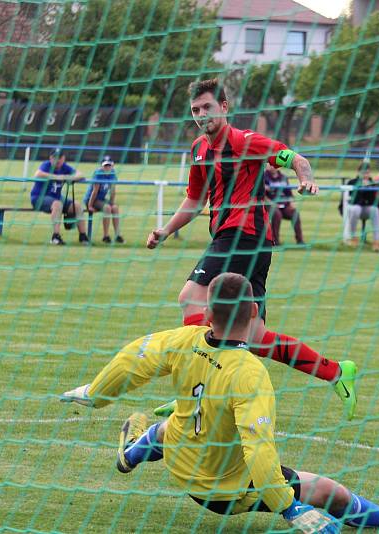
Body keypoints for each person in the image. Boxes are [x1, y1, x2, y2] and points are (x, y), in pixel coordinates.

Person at [60, 273, 379, 532]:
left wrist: (95, 394)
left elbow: (134, 356)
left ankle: (128, 456)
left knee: (170, 425)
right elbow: (258, 447)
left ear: (207, 314)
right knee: (328, 491)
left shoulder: (182, 340)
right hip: (224, 492)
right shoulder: (249, 373)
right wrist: (289, 507)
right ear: (256, 313)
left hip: (181, 461)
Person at [145, 79, 358, 420]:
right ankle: (336, 372)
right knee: (255, 337)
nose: (202, 115)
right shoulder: (199, 149)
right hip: (247, 243)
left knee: (190, 298)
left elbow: (295, 158)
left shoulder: (246, 141)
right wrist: (166, 230)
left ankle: (193, 393)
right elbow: (196, 198)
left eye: (208, 108)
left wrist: (306, 178)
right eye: (196, 110)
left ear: (224, 108)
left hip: (242, 235)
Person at [30, 148, 89, 245]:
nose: (57, 160)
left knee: (77, 205)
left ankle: (83, 237)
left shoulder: (65, 167)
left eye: (59, 158)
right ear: (50, 158)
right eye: (54, 158)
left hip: (56, 197)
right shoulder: (46, 165)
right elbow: (38, 174)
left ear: (63, 158)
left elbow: (81, 175)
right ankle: (55, 237)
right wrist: (57, 177)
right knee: (57, 204)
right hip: (38, 198)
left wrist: (69, 177)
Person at [84, 155, 124, 244]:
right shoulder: (98, 174)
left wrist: (112, 203)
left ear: (112, 165)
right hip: (91, 199)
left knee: (115, 208)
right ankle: (105, 236)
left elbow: (113, 191)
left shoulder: (113, 174)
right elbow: (94, 192)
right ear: (101, 166)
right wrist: (89, 206)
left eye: (109, 165)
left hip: (101, 199)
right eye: (105, 165)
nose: (107, 167)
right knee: (107, 208)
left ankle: (117, 235)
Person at [344, 163, 379, 251]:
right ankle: (353, 237)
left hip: (366, 209)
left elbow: (373, 202)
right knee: (356, 209)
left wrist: (369, 187)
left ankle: (376, 241)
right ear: (358, 172)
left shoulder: (372, 183)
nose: (365, 175)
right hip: (353, 208)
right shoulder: (352, 182)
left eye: (367, 173)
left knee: (374, 210)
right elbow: (354, 201)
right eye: (363, 173)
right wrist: (361, 188)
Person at [264, 164, 305, 245]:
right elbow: (262, 195)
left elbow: (289, 194)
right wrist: (270, 203)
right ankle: (275, 242)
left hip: (284, 204)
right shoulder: (263, 177)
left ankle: (300, 241)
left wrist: (291, 203)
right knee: (277, 214)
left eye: (273, 165)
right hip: (270, 204)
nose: (272, 167)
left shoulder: (283, 177)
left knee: (295, 213)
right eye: (270, 165)